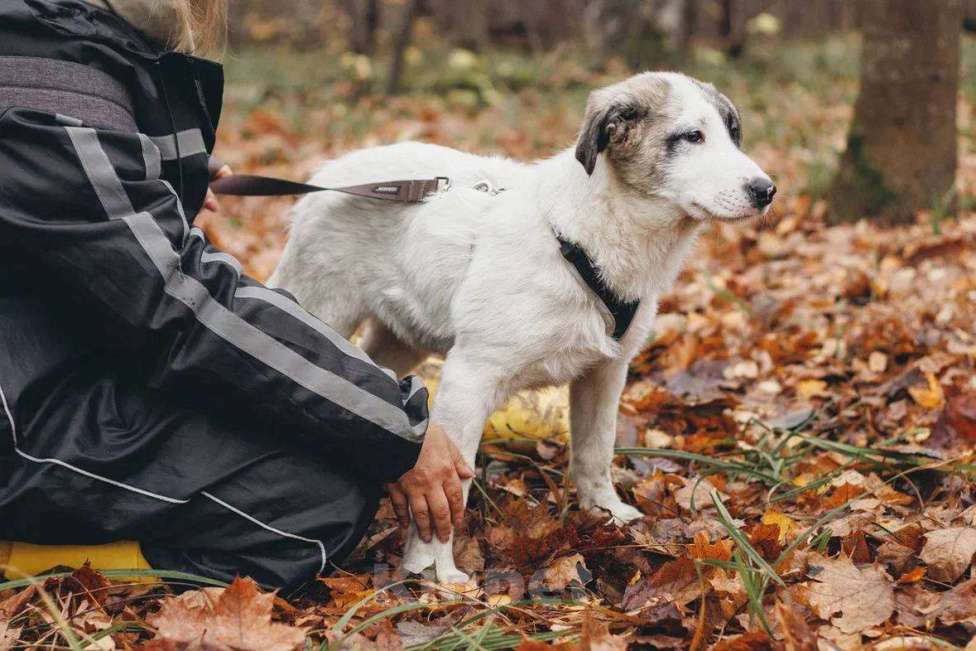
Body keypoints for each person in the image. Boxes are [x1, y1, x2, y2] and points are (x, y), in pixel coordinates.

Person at [0, 0, 472, 589]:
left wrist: (159, 170)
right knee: (312, 508)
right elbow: (178, 304)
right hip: (22, 415)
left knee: (321, 442)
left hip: (48, 359)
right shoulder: (46, 94)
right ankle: (39, 558)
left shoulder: (39, 40)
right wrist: (394, 424)